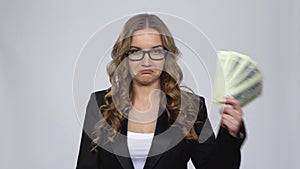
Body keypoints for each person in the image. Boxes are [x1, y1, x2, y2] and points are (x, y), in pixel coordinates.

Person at [76, 13, 246, 169]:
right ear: (125, 56)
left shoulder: (191, 107)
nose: (146, 61)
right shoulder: (100, 105)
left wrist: (230, 134)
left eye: (156, 51)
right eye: (136, 51)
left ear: (166, 56)